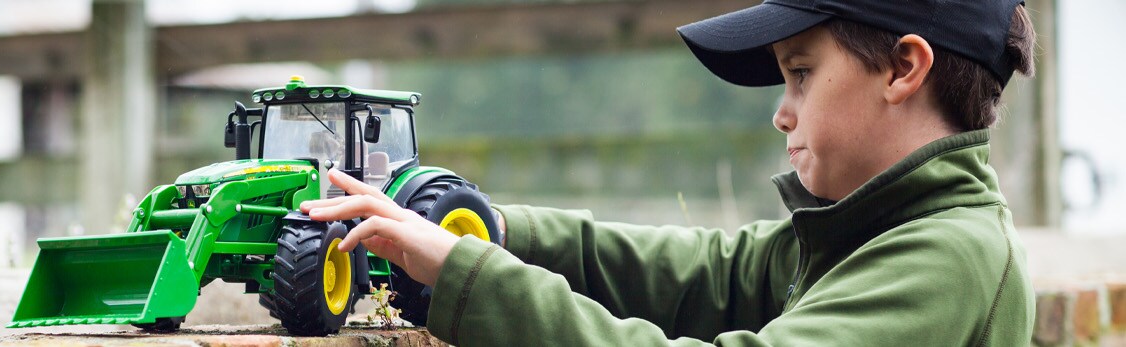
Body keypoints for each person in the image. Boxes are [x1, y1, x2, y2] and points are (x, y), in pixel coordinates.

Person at [300, 0, 1038, 344]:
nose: (783, 113)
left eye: (802, 75)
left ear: (904, 68)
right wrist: (483, 227)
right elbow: (694, 274)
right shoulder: (863, 232)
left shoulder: (947, 258)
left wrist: (475, 276)